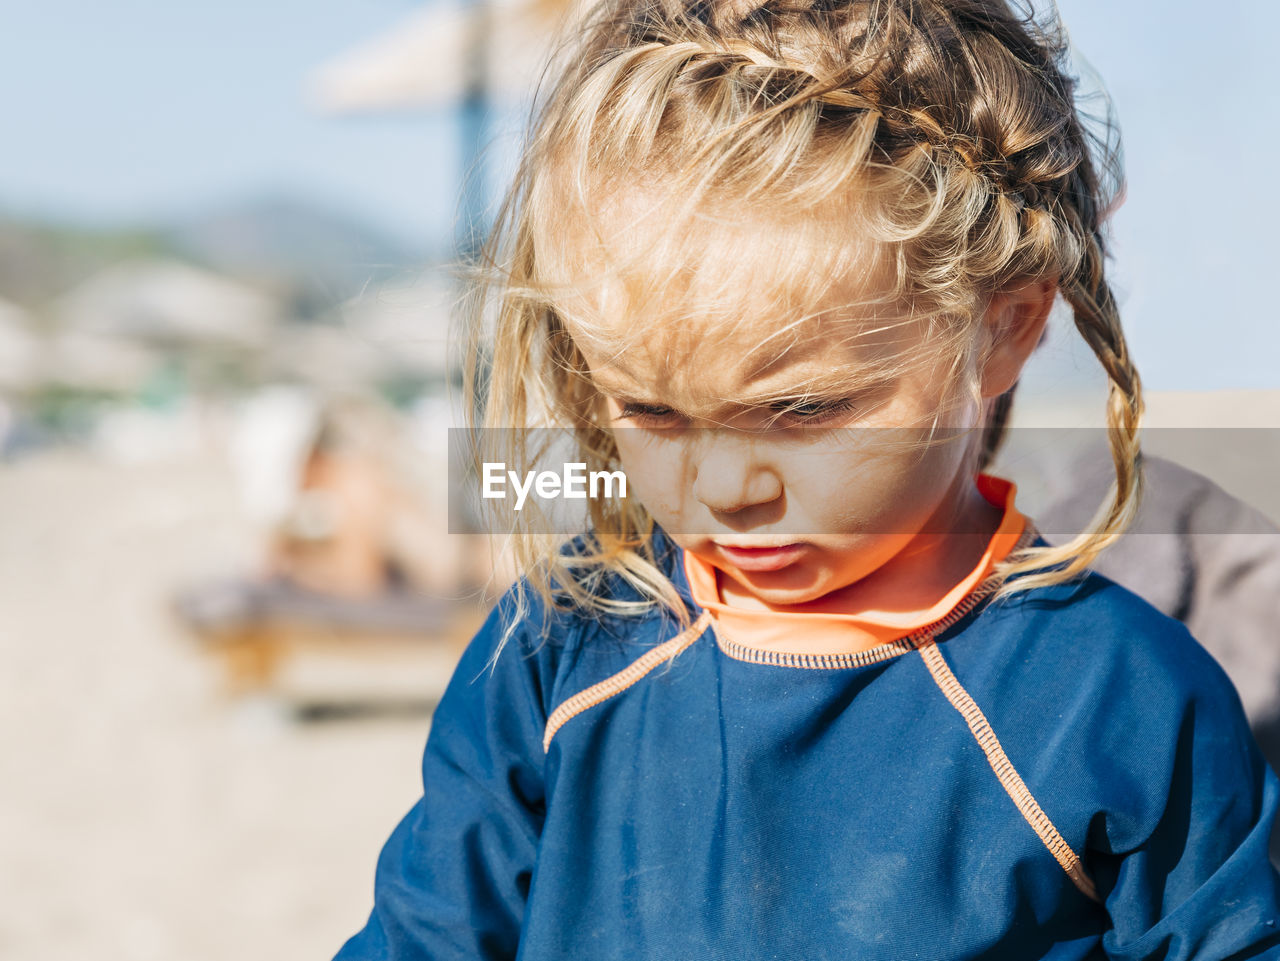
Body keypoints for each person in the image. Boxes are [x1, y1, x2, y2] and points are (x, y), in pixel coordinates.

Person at [335, 0, 1280, 957]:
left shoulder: (1117, 701)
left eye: (802, 411)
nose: (725, 487)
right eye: (653, 411)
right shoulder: (559, 647)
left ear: (1006, 325)